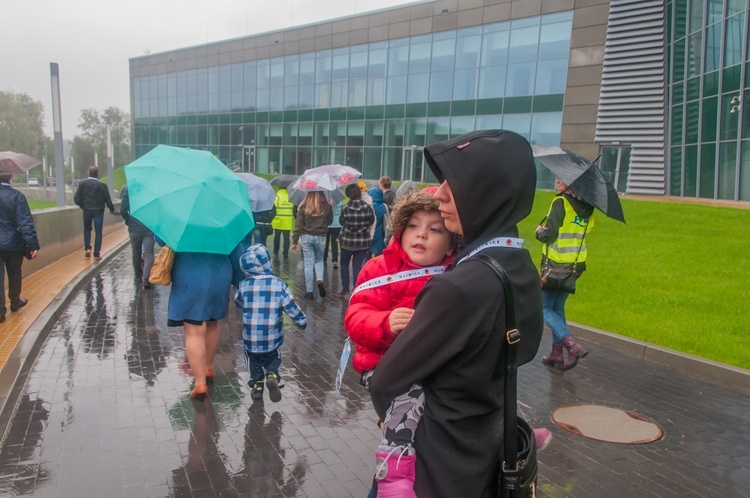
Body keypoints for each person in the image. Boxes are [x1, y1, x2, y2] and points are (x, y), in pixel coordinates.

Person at [368, 130, 543, 497]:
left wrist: (395, 423)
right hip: (486, 449)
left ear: (488, 192)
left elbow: (387, 379)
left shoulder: (459, 287)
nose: (441, 192)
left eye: (457, 182)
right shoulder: (521, 264)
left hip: (436, 463)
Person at [345, 192, 458, 495]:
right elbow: (355, 317)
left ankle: (508, 430)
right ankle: (393, 477)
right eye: (413, 225)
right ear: (400, 230)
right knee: (409, 406)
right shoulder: (379, 268)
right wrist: (385, 322)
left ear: (450, 244)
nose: (421, 233)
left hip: (431, 368)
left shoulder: (455, 275)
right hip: (386, 368)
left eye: (435, 229)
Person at [160, 236, 235, 401]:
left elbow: (161, 238)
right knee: (213, 322)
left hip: (189, 275)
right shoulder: (222, 215)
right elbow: (236, 248)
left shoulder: (180, 214)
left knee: (194, 331)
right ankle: (208, 367)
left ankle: (200, 382)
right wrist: (237, 278)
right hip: (219, 275)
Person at [235, 243, 307, 402]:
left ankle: (257, 386)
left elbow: (238, 302)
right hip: (272, 337)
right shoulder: (279, 284)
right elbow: (290, 306)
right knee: (273, 356)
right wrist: (301, 321)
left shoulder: (244, 285)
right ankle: (272, 374)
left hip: (251, 339)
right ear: (267, 262)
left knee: (252, 361)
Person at [535, 178, 594, 370]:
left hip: (555, 264)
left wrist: (539, 232)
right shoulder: (588, 206)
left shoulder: (561, 202)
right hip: (575, 266)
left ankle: (572, 345)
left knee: (543, 308)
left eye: (563, 178)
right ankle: (556, 354)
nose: (557, 180)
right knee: (558, 309)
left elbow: (549, 235)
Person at [0, 174, 40, 322]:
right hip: (13, 243)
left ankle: (0, 311)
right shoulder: (17, 196)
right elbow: (25, 222)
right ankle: (15, 302)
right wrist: (32, 244)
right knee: (14, 273)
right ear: (10, 176)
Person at [291, 191, 333, 299]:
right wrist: (330, 208)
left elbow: (298, 225)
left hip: (306, 237)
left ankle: (309, 292)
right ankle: (319, 279)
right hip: (321, 237)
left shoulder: (304, 207)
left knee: (308, 263)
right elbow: (330, 222)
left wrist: (295, 242)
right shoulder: (326, 207)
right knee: (319, 260)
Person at [338, 184, 374, 296]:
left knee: (344, 264)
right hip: (363, 242)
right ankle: (356, 288)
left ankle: (345, 288)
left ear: (348, 195)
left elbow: (341, 221)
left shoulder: (345, 208)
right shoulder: (368, 207)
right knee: (357, 266)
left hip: (347, 241)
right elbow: (371, 221)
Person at [73, 165, 115, 260]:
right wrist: (111, 209)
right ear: (98, 174)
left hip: (87, 210)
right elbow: (107, 199)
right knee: (98, 231)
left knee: (87, 229)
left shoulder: (82, 184)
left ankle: (87, 248)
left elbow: (76, 198)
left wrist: (82, 205)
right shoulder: (102, 186)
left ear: (88, 173)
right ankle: (96, 254)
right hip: (99, 211)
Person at [119, 184, 155, 289]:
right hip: (149, 227)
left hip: (134, 228)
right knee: (149, 252)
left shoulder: (130, 191)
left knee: (136, 252)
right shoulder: (150, 191)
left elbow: (123, 210)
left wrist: (128, 221)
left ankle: (138, 276)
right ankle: (146, 277)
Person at [271, 187, 294, 258]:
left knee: (277, 236)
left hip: (278, 219)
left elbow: (273, 207)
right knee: (286, 237)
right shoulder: (290, 195)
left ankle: (276, 251)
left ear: (278, 187)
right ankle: (285, 253)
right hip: (288, 220)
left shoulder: (277, 195)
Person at [368, 187, 387, 257]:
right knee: (379, 258)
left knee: (366, 257)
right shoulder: (383, 207)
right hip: (379, 235)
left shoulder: (368, 206)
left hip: (368, 235)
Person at [324, 199, 342, 269]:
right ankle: (335, 260)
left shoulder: (326, 200)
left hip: (327, 224)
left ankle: (324, 259)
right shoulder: (339, 201)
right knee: (335, 243)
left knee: (326, 243)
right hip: (337, 224)